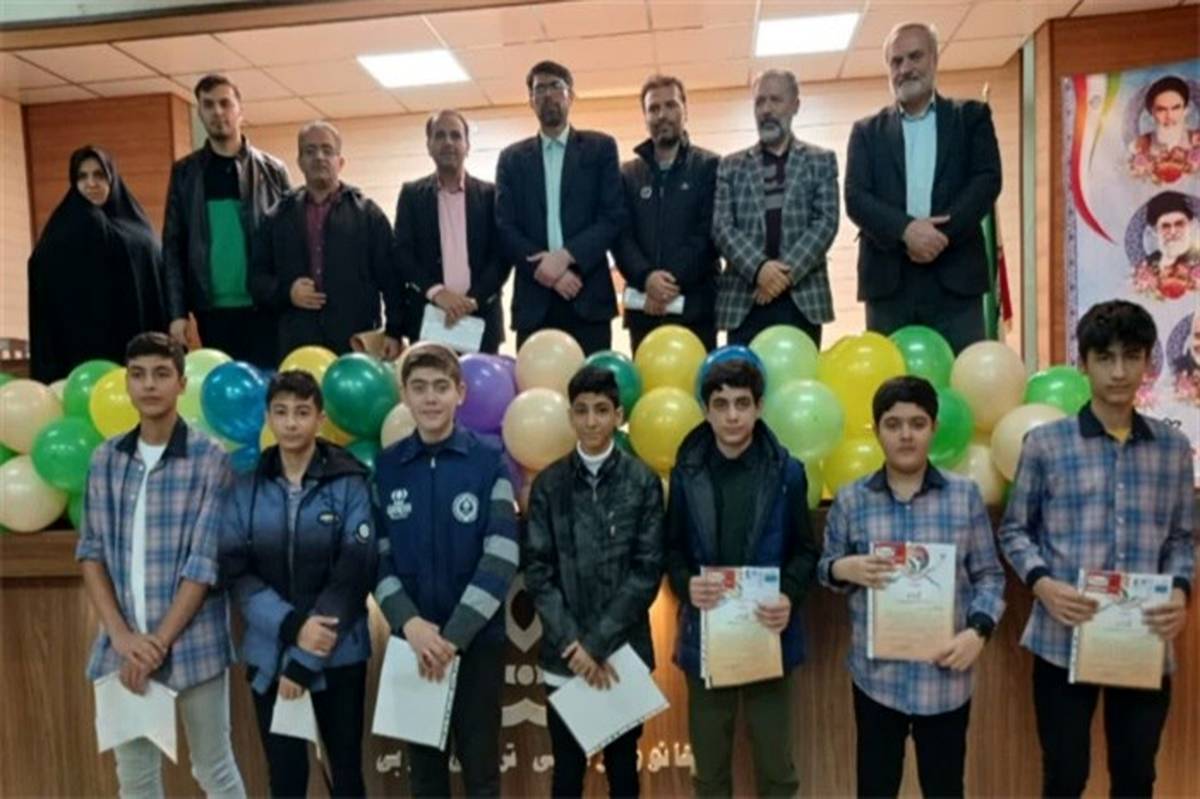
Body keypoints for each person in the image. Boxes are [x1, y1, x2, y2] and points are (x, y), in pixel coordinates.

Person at [998, 300, 1195, 798]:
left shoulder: (1173, 450)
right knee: (1065, 777)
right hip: (1062, 635)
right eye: (1105, 358)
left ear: (1148, 362)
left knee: (1136, 776)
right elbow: (1015, 530)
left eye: (1132, 357)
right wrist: (1043, 584)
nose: (1119, 372)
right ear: (1083, 363)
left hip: (1142, 635)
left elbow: (1181, 537)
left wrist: (1179, 590)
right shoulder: (1046, 444)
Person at [76, 332, 245, 797]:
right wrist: (122, 637)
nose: (149, 385)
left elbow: (203, 564)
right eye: (138, 375)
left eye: (161, 374)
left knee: (214, 769)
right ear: (127, 384)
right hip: (123, 644)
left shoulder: (210, 459)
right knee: (135, 778)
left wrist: (159, 643)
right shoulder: (106, 458)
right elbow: (90, 553)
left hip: (193, 641)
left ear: (181, 383)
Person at [819, 376, 1006, 798]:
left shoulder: (964, 496)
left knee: (944, 789)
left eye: (917, 423)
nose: (906, 435)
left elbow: (989, 576)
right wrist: (842, 569)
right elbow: (825, 569)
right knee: (875, 789)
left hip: (944, 679)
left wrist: (979, 632)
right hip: (876, 679)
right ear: (877, 430)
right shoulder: (851, 499)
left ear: (934, 428)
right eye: (893, 424)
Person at [663, 358, 820, 796]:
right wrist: (685, 584)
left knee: (776, 769)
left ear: (759, 406)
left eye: (742, 403)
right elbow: (671, 550)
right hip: (706, 637)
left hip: (768, 634)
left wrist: (789, 595)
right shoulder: (686, 472)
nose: (732, 415)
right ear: (705, 410)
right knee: (709, 771)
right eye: (721, 404)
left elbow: (805, 551)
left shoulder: (788, 472)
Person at [219, 370, 375, 797]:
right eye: (282, 412)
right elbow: (236, 571)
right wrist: (291, 627)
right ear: (268, 418)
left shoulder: (350, 482)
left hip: (338, 654)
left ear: (320, 419)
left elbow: (355, 568)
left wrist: (307, 654)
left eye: (302, 412)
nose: (291, 423)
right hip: (269, 654)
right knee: (285, 778)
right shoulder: (246, 488)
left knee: (346, 774)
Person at [372, 343, 519, 797]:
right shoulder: (387, 467)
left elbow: (502, 556)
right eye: (419, 388)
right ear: (405, 396)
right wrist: (411, 625)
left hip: (476, 645)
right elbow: (377, 557)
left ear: (460, 393)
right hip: (413, 645)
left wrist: (453, 638)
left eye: (441, 387)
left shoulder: (489, 461)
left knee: (481, 773)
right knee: (425, 777)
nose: (431, 398)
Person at [524, 365, 664, 797]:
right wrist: (575, 646)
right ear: (570, 416)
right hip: (565, 657)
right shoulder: (549, 485)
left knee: (623, 773)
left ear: (618, 415)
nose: (591, 421)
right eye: (582, 410)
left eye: (601, 410)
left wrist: (598, 645)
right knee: (567, 774)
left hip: (623, 654)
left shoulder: (643, 482)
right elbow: (538, 572)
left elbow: (647, 570)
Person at [845, 22, 1002, 354]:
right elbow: (856, 198)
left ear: (934, 59)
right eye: (896, 61)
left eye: (914, 57)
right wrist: (906, 231)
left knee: (962, 377)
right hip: (889, 282)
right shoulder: (866, 132)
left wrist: (935, 236)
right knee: (893, 379)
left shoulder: (971, 117)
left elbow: (987, 180)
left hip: (956, 278)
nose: (905, 68)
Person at [495, 60, 626, 354]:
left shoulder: (601, 148)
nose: (547, 95)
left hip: (587, 295)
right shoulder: (511, 160)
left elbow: (612, 217)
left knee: (592, 382)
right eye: (539, 89)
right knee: (535, 383)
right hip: (534, 303)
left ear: (571, 95)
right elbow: (505, 226)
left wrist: (566, 257)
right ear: (531, 100)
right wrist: (548, 271)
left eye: (556, 86)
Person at [163, 73, 291, 368]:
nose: (217, 112)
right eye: (208, 105)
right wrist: (177, 312)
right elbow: (173, 246)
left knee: (268, 386)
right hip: (211, 311)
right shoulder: (185, 174)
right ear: (200, 113)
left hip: (265, 306)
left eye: (225, 103)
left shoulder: (273, 170)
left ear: (240, 110)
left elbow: (290, 240)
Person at [249, 120, 403, 359]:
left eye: (327, 150)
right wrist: (287, 292)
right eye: (310, 151)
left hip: (355, 343)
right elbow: (256, 280)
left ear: (340, 162)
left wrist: (394, 331)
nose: (319, 157)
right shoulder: (277, 217)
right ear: (300, 162)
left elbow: (391, 279)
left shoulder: (368, 215)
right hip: (298, 344)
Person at [713, 69, 839, 349]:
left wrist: (781, 276)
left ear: (795, 105)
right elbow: (722, 228)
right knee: (744, 376)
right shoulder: (730, 167)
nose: (766, 109)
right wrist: (759, 269)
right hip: (745, 302)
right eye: (760, 101)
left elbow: (826, 223)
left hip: (802, 300)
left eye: (775, 100)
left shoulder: (821, 161)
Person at [28, 145, 165, 383]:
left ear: (112, 179)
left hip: (131, 344)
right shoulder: (60, 232)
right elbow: (41, 273)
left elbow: (153, 273)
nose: (91, 183)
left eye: (99, 175)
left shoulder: (137, 230)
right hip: (75, 353)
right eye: (82, 176)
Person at [615, 74, 720, 353]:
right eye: (653, 108)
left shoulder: (710, 167)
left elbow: (709, 234)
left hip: (696, 312)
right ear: (645, 117)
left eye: (671, 105)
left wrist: (667, 283)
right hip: (644, 311)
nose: (662, 115)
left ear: (685, 111)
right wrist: (647, 279)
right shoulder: (627, 175)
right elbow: (621, 237)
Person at [394, 109, 510, 354]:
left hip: (480, 320)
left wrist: (471, 300)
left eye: (456, 136)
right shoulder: (411, 195)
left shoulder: (491, 196)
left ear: (467, 146)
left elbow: (501, 256)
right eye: (440, 135)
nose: (448, 142)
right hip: (429, 322)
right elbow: (403, 254)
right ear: (429, 146)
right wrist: (437, 293)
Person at [1128, 75, 1200, 185]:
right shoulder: (1140, 145)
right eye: (1161, 109)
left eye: (1175, 108)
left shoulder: (1196, 140)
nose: (1169, 116)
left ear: (1185, 110)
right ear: (1152, 112)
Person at [1131, 190, 1198, 300]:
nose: (1173, 232)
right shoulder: (1147, 264)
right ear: (1155, 231)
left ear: (1189, 226)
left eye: (1179, 224)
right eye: (1165, 226)